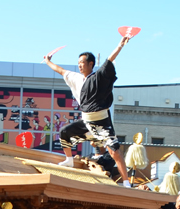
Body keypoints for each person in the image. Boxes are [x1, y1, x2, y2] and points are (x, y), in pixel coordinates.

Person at [44, 38, 132, 185]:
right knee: (64, 133)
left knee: (114, 151)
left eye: (82, 63)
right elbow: (60, 70)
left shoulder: (98, 77)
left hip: (102, 121)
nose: (79, 65)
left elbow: (109, 60)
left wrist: (120, 45)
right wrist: (47, 61)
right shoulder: (75, 78)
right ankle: (69, 160)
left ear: (91, 64)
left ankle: (126, 181)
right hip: (87, 121)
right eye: (78, 63)